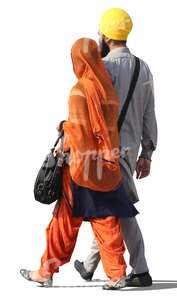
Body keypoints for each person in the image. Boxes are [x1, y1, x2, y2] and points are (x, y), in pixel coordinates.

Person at [20, 38, 138, 290]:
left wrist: (65, 131)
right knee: (106, 219)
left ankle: (45, 271)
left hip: (81, 168)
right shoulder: (107, 88)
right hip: (106, 165)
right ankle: (117, 274)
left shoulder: (79, 90)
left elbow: (81, 134)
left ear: (77, 60)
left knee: (63, 221)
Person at [74, 8, 158, 287]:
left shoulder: (102, 69)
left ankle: (141, 269)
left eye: (100, 33)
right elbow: (149, 113)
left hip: (105, 150)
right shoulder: (143, 68)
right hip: (131, 150)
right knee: (107, 204)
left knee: (120, 209)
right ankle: (89, 264)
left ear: (107, 36)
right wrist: (147, 152)